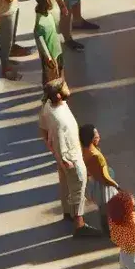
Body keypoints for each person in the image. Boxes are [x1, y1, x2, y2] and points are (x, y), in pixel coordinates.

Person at [38, 81, 100, 239]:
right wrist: (66, 160)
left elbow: (43, 128)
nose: (67, 87)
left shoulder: (48, 106)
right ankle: (79, 224)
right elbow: (59, 140)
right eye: (64, 86)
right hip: (71, 157)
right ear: (58, 95)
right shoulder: (59, 120)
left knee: (66, 185)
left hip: (64, 156)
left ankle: (68, 212)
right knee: (79, 185)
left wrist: (50, 147)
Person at [80, 124, 118, 230]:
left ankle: (106, 227)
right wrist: (116, 185)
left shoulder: (84, 151)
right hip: (103, 185)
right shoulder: (95, 156)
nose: (99, 137)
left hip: (93, 183)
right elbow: (104, 176)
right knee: (106, 207)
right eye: (96, 136)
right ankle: (109, 229)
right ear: (91, 139)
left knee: (103, 207)